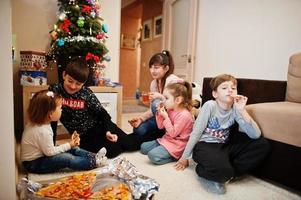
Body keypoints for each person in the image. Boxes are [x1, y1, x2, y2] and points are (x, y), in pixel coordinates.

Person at [174, 74, 270, 194]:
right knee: (223, 171)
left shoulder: (236, 109)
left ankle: (230, 173)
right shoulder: (210, 105)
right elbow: (196, 132)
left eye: (233, 88)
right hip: (205, 145)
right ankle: (203, 169)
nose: (230, 90)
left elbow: (255, 135)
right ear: (215, 94)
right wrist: (185, 157)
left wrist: (242, 110)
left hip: (224, 145)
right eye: (224, 88)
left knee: (262, 144)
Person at [49, 58, 156, 158]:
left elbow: (103, 114)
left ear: (84, 84)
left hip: (101, 126)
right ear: (64, 75)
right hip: (84, 136)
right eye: (70, 81)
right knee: (113, 151)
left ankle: (158, 137)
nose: (73, 86)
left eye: (78, 84)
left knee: (130, 144)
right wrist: (51, 146)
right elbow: (50, 118)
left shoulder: (86, 93)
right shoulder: (54, 91)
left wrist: (108, 131)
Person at [21, 90, 107, 174]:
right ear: (50, 114)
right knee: (66, 158)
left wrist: (70, 146)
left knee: (72, 149)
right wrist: (69, 144)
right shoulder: (42, 131)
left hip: (43, 154)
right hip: (34, 164)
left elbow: (48, 149)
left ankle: (94, 157)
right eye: (60, 108)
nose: (62, 110)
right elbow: (50, 152)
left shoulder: (40, 123)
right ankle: (93, 163)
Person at [129, 50, 183, 136]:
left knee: (156, 103)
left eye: (156, 67)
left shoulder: (173, 81)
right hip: (159, 118)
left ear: (166, 68)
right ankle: (160, 132)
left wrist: (160, 96)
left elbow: (176, 105)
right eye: (151, 67)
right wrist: (141, 118)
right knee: (138, 129)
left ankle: (164, 132)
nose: (152, 70)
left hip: (173, 119)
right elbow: (153, 109)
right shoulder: (154, 83)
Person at [140, 81, 194, 165]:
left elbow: (173, 133)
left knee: (152, 156)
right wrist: (159, 114)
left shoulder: (185, 115)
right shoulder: (170, 109)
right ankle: (162, 150)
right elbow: (160, 126)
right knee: (143, 147)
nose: (163, 101)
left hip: (177, 145)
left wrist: (166, 117)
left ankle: (175, 157)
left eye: (166, 98)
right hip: (166, 140)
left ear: (178, 100)